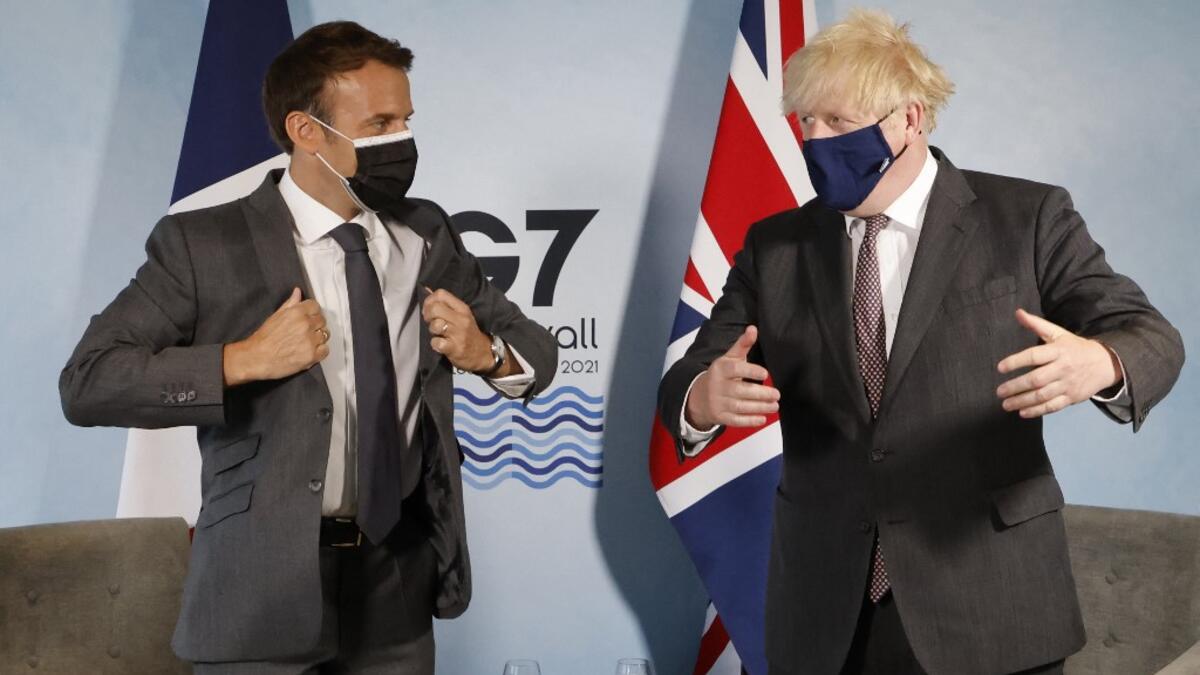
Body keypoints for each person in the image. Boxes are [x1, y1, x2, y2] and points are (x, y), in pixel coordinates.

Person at [657, 10, 1183, 675]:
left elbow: (1151, 337)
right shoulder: (777, 246)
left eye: (838, 122)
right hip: (825, 618)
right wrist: (702, 395)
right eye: (804, 122)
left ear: (910, 119)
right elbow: (694, 373)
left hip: (992, 606)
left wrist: (1100, 362)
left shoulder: (1027, 218)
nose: (816, 140)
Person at [60, 21, 556, 673]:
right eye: (378, 125)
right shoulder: (202, 245)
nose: (400, 142)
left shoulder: (427, 232)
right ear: (306, 131)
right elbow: (89, 380)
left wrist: (485, 352)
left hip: (397, 584)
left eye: (405, 121)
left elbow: (536, 353)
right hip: (257, 591)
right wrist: (241, 360)